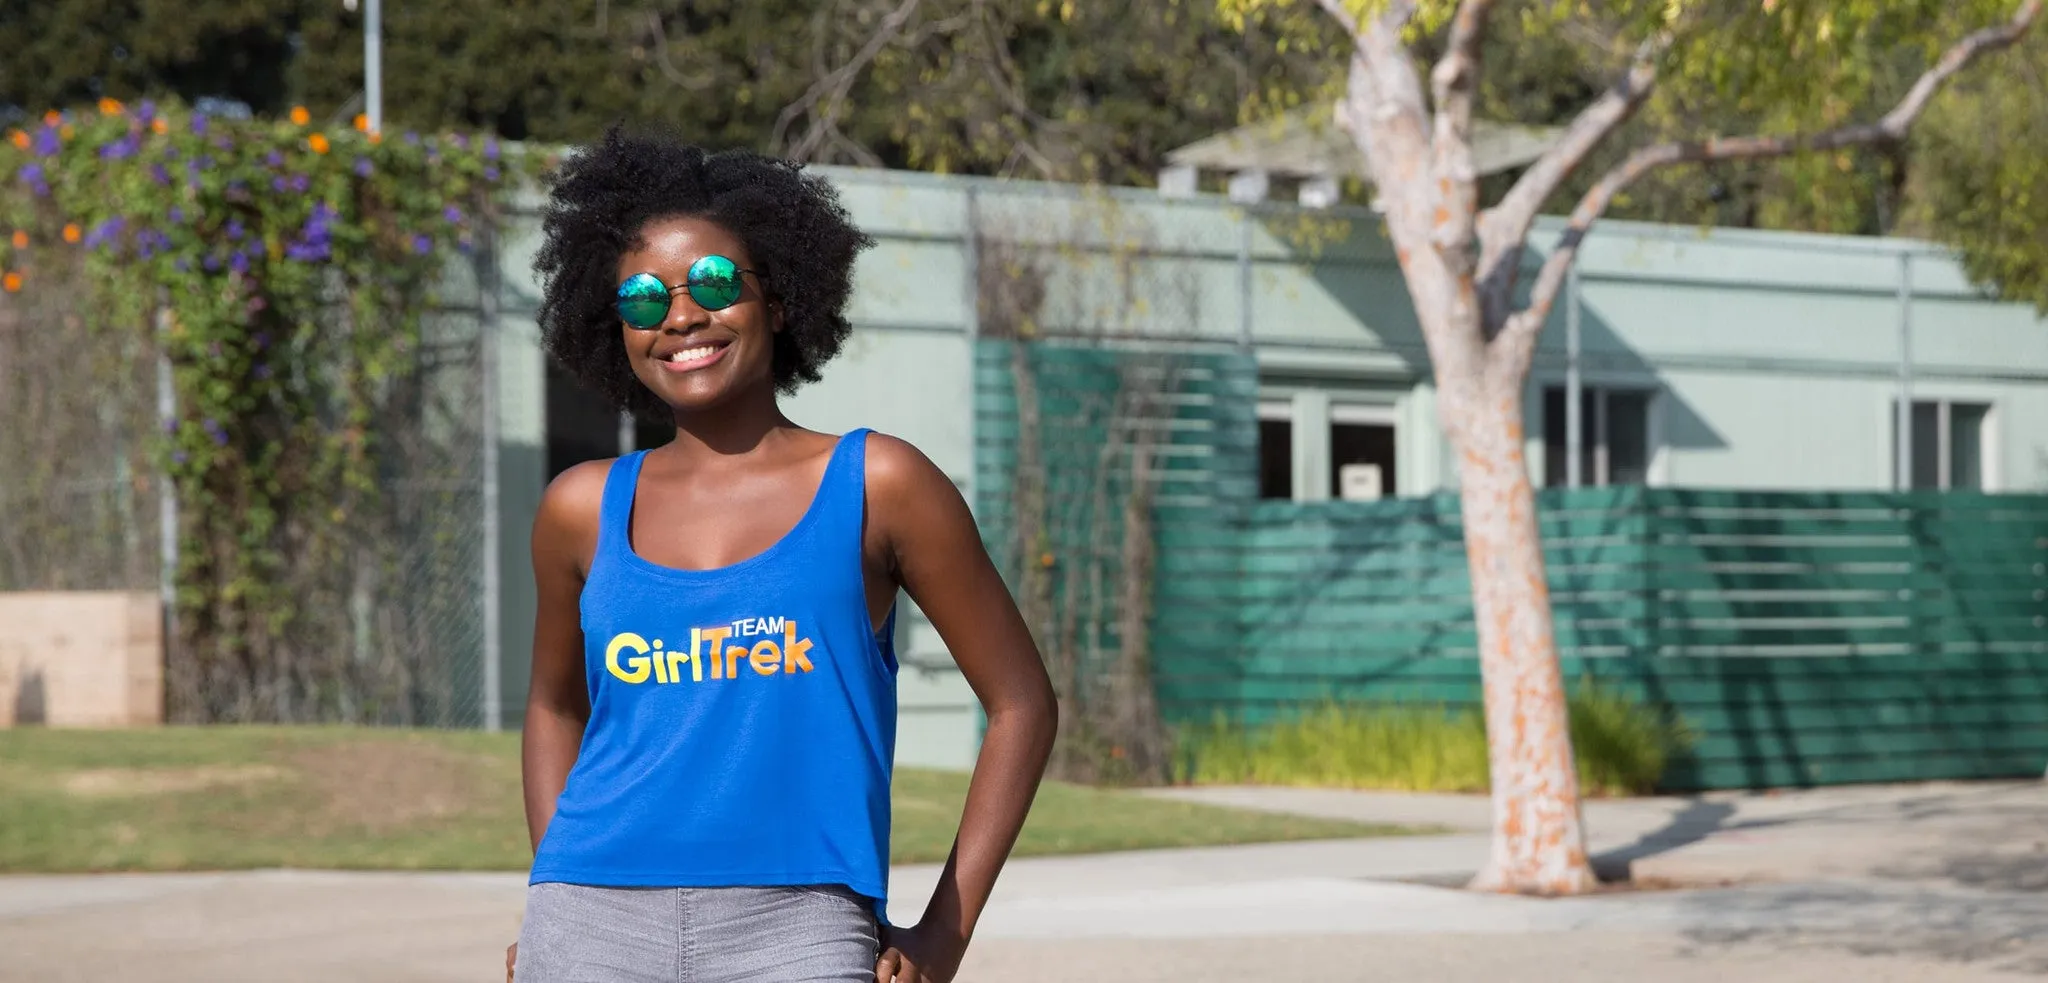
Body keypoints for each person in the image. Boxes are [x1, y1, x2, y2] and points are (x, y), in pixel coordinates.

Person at [506, 129, 1058, 983]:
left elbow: (1021, 701)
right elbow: (551, 707)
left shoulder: (880, 483)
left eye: (717, 283)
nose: (682, 316)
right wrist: (556, 885)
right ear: (615, 327)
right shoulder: (580, 508)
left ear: (782, 299)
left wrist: (943, 935)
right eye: (644, 299)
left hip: (798, 931)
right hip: (589, 928)